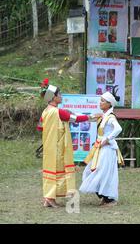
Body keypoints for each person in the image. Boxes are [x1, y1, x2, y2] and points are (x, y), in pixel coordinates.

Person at [37, 78, 95, 208]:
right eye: (60, 94)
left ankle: (48, 197)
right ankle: (50, 198)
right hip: (58, 147)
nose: (61, 96)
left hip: (49, 147)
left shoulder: (46, 111)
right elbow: (75, 119)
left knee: (50, 171)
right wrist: (91, 117)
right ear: (53, 97)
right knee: (59, 170)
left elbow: (40, 127)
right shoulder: (58, 112)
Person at [79, 91, 124, 207]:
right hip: (100, 148)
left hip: (107, 149)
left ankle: (109, 199)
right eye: (100, 100)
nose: (100, 103)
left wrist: (107, 139)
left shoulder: (110, 117)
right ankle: (104, 196)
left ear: (109, 104)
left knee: (102, 172)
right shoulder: (103, 115)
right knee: (91, 171)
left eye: (103, 101)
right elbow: (89, 119)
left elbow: (118, 129)